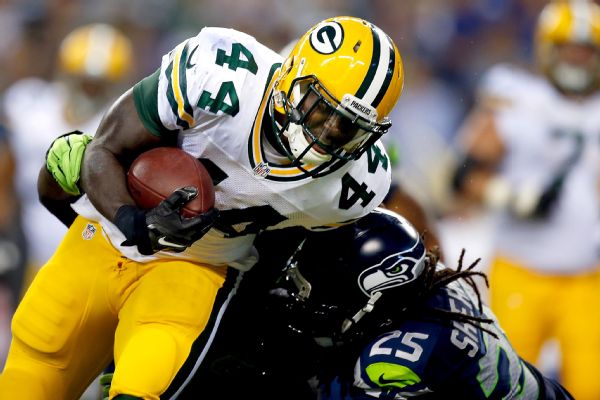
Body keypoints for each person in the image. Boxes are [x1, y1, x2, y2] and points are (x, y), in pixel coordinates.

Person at [0, 16, 404, 399]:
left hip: (197, 270)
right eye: (320, 108)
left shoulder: (358, 184)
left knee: (143, 386)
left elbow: (294, 254)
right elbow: (104, 149)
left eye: (348, 127)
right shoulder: (221, 72)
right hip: (108, 236)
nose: (327, 133)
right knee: (36, 365)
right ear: (292, 75)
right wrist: (133, 219)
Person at [99, 208, 573, 399]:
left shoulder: (391, 363)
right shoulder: (428, 290)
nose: (309, 295)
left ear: (376, 294)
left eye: (323, 285)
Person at [451, 1, 600, 399]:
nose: (577, 58)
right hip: (522, 269)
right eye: (568, 47)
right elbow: (460, 177)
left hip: (589, 277)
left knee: (590, 387)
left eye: (586, 50)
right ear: (547, 48)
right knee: (504, 384)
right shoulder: (516, 98)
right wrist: (512, 196)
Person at [1, 23, 133, 286]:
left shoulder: (117, 126)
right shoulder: (29, 104)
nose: (88, 90)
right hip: (21, 242)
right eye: (83, 81)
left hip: (82, 262)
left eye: (97, 85)